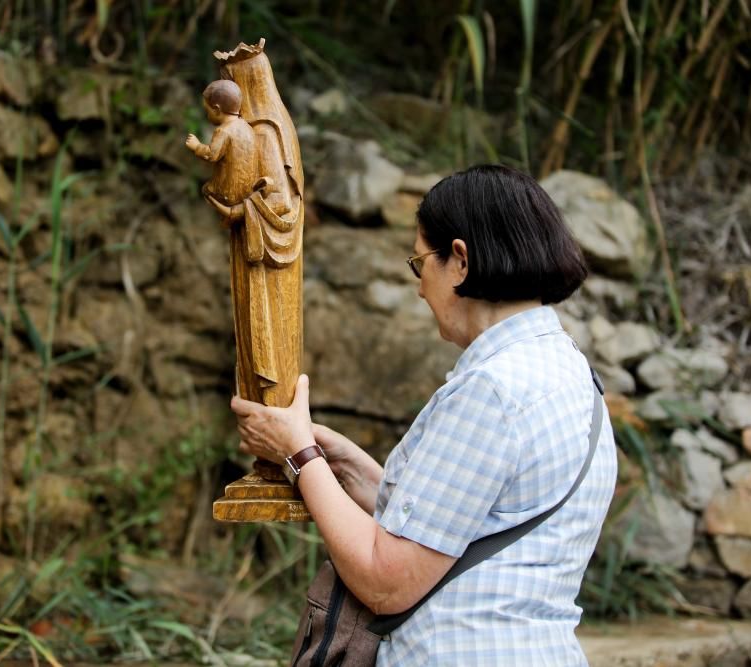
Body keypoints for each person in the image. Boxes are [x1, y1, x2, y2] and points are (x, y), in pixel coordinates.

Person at [232, 164, 618, 665]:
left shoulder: (492, 391)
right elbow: (453, 523)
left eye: (421, 265)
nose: (419, 289)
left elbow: (385, 582)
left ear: (459, 260)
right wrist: (341, 467)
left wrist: (299, 455)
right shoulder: (568, 372)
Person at [185, 79, 259, 208]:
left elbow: (211, 155)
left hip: (230, 193)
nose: (207, 116)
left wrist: (196, 146)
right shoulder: (246, 126)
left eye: (207, 111)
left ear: (217, 109)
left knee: (206, 190)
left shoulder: (223, 131)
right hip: (249, 189)